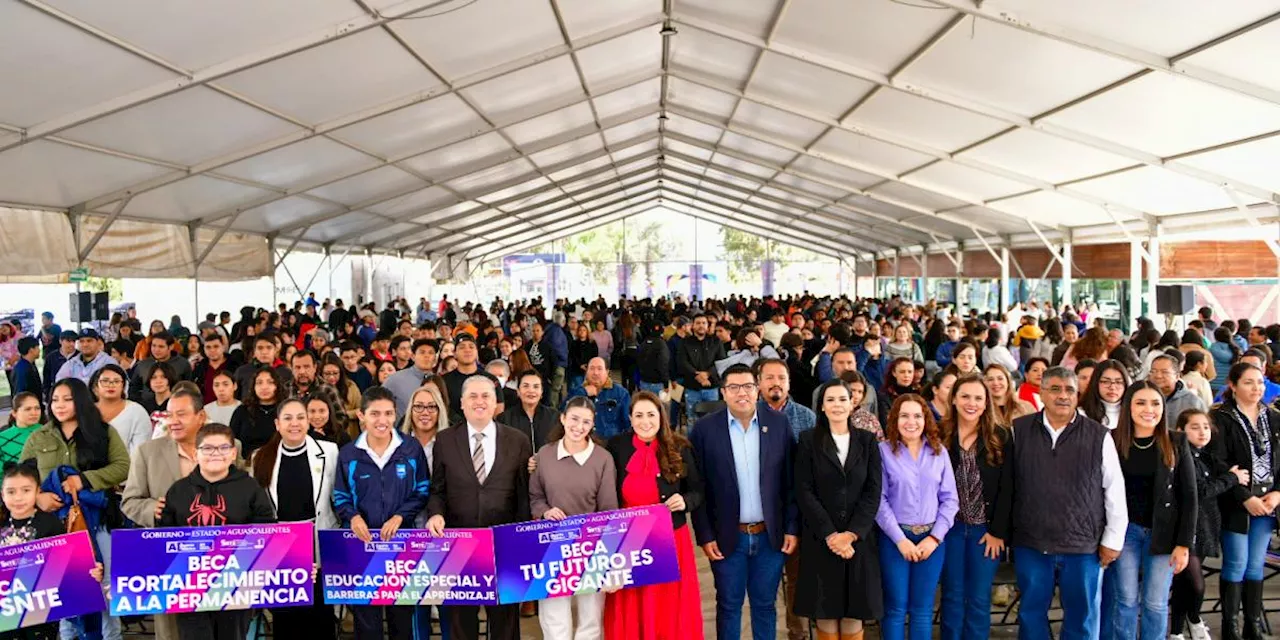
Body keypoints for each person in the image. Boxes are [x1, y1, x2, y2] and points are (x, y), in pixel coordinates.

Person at [994, 366, 1126, 640]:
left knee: (1082, 617)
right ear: (1041, 393)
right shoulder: (1019, 431)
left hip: (1082, 546)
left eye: (1069, 390)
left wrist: (1113, 539)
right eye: (1055, 389)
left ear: (1077, 395)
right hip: (1031, 542)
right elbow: (1007, 487)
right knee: (1031, 615)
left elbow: (1114, 489)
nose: (1062, 396)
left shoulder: (1098, 435)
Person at [688, 363, 796, 640]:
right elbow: (697, 488)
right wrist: (705, 535)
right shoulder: (704, 430)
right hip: (727, 537)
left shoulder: (779, 424)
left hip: (770, 537)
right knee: (729, 606)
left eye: (748, 386)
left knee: (765, 606)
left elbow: (791, 482)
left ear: (757, 389)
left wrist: (792, 528)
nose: (742, 393)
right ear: (723, 392)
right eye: (733, 387)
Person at [20, 378, 129, 640]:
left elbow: (122, 466)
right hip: (55, 525)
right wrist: (38, 497)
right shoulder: (39, 436)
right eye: (55, 399)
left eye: (67, 399)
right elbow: (23, 477)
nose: (59, 405)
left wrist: (85, 480)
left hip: (98, 520)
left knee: (103, 590)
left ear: (80, 400)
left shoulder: (103, 432)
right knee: (64, 592)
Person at [425, 375, 531, 640]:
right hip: (459, 547)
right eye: (473, 396)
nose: (479, 402)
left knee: (505, 622)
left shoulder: (518, 441)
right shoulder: (445, 440)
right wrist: (436, 513)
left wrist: (521, 542)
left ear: (496, 402)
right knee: (462, 622)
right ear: (462, 402)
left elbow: (523, 496)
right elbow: (437, 489)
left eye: (486, 396)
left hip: (503, 546)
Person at [160, 423, 276, 640]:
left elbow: (267, 533)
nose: (216, 454)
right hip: (189, 588)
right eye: (207, 448)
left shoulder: (250, 488)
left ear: (233, 453)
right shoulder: (178, 491)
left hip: (236, 586)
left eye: (223, 448)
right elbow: (162, 540)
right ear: (195, 453)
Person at [603, 391, 704, 639]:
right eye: (638, 415)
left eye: (651, 414)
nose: (645, 421)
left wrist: (686, 501)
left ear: (661, 416)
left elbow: (698, 490)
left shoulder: (680, 446)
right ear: (629, 418)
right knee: (632, 602)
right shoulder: (616, 446)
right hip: (629, 539)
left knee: (668, 605)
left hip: (670, 539)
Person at [334, 386, 431, 640]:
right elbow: (340, 495)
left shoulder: (410, 448)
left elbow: (422, 489)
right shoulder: (348, 453)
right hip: (361, 546)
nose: (382, 420)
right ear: (361, 416)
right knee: (367, 622)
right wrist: (352, 516)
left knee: (402, 618)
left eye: (388, 413)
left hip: (401, 545)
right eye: (375, 414)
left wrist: (401, 516)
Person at [1102, 381, 1196, 640]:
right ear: (1128, 406)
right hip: (1125, 533)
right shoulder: (1112, 440)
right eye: (1140, 402)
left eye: (1155, 403)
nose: (1149, 409)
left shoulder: (1176, 441)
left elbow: (1189, 495)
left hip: (1164, 534)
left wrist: (1184, 544)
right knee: (1126, 600)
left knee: (1155, 603)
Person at [793, 379, 883, 640]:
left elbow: (873, 490)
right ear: (821, 406)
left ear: (852, 403)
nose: (837, 405)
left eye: (842, 399)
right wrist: (831, 534)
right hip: (822, 540)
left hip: (858, 541)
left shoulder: (867, 441)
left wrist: (852, 533)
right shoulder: (808, 440)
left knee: (854, 612)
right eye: (830, 399)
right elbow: (804, 489)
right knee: (826, 612)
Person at [121, 385, 210, 640]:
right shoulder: (147, 452)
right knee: (172, 631)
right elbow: (129, 501)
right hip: (168, 559)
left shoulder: (225, 447)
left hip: (217, 555)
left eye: (181, 414)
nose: (173, 421)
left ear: (200, 416)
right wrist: (152, 509)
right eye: (169, 415)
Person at [528, 397, 619, 640]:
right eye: (574, 419)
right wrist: (545, 511)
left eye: (586, 422)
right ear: (563, 419)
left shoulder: (603, 459)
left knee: (591, 618)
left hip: (591, 548)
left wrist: (607, 557)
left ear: (593, 425)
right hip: (552, 549)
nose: (579, 426)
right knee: (554, 618)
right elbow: (535, 497)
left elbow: (608, 509)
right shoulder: (544, 456)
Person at [250, 398, 340, 640]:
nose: (295, 423)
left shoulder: (329, 451)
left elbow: (337, 497)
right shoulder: (260, 457)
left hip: (318, 541)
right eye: (288, 418)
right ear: (277, 424)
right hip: (281, 546)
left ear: (309, 421)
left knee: (320, 616)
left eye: (301, 417)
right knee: (287, 618)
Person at [875, 393, 958, 640]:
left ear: (926, 419)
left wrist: (934, 538)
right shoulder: (882, 451)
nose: (911, 422)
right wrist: (901, 540)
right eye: (904, 416)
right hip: (894, 539)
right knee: (895, 608)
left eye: (917, 416)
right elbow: (879, 500)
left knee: (922, 610)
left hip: (931, 539)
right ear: (894, 419)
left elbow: (950, 499)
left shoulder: (938, 452)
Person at [1210, 361, 1280, 639]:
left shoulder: (1274, 417)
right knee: (1236, 562)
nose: (1256, 388)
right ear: (1233, 385)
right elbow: (1217, 463)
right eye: (1249, 382)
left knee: (1255, 564)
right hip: (1236, 503)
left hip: (1268, 502)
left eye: (1260, 382)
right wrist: (1244, 497)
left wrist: (1277, 494)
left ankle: (1252, 624)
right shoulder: (1221, 418)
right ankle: (1231, 626)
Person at [937, 374, 1009, 640]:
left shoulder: (999, 436)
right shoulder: (939, 433)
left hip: (985, 532)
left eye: (978, 398)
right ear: (953, 399)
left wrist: (998, 532)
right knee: (952, 595)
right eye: (965, 396)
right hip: (950, 529)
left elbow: (1008, 488)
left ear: (986, 402)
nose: (972, 403)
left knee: (979, 597)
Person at [0, 463, 104, 640]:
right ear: (2, 494)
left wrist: (90, 571)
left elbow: (69, 565)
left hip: (41, 615)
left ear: (37, 491)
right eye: (11, 492)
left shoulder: (51, 524)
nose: (18, 498)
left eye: (26, 490)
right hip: (5, 615)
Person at [1171, 409, 1247, 640]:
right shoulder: (1183, 456)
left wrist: (1231, 475)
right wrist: (1231, 479)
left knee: (1185, 584)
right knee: (1195, 584)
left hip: (1206, 526)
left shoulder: (1206, 455)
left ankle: (1176, 630)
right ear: (1181, 430)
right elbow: (1202, 491)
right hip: (1186, 528)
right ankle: (1194, 620)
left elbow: (1224, 472)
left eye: (1205, 427)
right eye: (1195, 427)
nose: (1202, 432)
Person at [90, 364, 151, 454]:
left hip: (128, 466)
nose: (111, 385)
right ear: (95, 386)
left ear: (123, 386)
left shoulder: (137, 411)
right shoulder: (86, 411)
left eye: (117, 381)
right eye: (105, 381)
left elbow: (140, 452)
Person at [679, 314, 727, 428]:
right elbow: (682, 362)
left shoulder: (715, 341)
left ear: (708, 325)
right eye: (698, 323)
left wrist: (707, 374)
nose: (701, 326)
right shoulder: (685, 342)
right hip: (692, 387)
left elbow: (721, 362)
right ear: (693, 326)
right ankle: (692, 445)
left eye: (703, 323)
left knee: (712, 420)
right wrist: (697, 375)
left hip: (711, 387)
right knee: (692, 419)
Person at [565, 357, 631, 440]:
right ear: (586, 371)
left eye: (600, 369)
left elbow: (628, 423)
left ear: (607, 372)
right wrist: (583, 392)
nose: (595, 373)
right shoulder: (576, 391)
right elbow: (563, 413)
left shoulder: (621, 393)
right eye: (591, 368)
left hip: (610, 443)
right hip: (582, 441)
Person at [229, 367, 283, 460]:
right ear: (253, 387)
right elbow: (231, 439)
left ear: (277, 385)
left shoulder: (285, 410)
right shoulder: (242, 411)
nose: (264, 387)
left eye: (270, 382)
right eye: (259, 383)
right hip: (247, 464)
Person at [500, 370, 558, 453]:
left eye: (536, 387)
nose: (531, 390)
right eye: (526, 386)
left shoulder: (554, 416)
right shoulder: (505, 418)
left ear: (541, 392)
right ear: (518, 391)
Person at [1148, 353, 1207, 432]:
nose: (1158, 376)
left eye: (1164, 372)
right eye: (1153, 371)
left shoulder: (1193, 402)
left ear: (1177, 376)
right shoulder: (1141, 397)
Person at [383, 338, 439, 416]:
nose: (427, 356)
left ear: (435, 359)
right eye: (422, 352)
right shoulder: (395, 379)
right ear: (413, 356)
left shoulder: (439, 382)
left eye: (431, 353)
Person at [1079, 359, 1131, 430]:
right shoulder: (1081, 415)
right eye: (1106, 382)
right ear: (1095, 383)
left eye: (1118, 382)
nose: (1112, 387)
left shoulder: (1132, 413)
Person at [0, 392, 42, 466]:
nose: (34, 413)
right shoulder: (2, 438)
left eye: (37, 408)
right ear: (14, 413)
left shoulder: (49, 432)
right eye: (28, 409)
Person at [10, 335, 41, 400]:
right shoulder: (22, 369)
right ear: (31, 350)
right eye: (37, 347)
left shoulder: (30, 365)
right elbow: (20, 393)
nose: (39, 350)